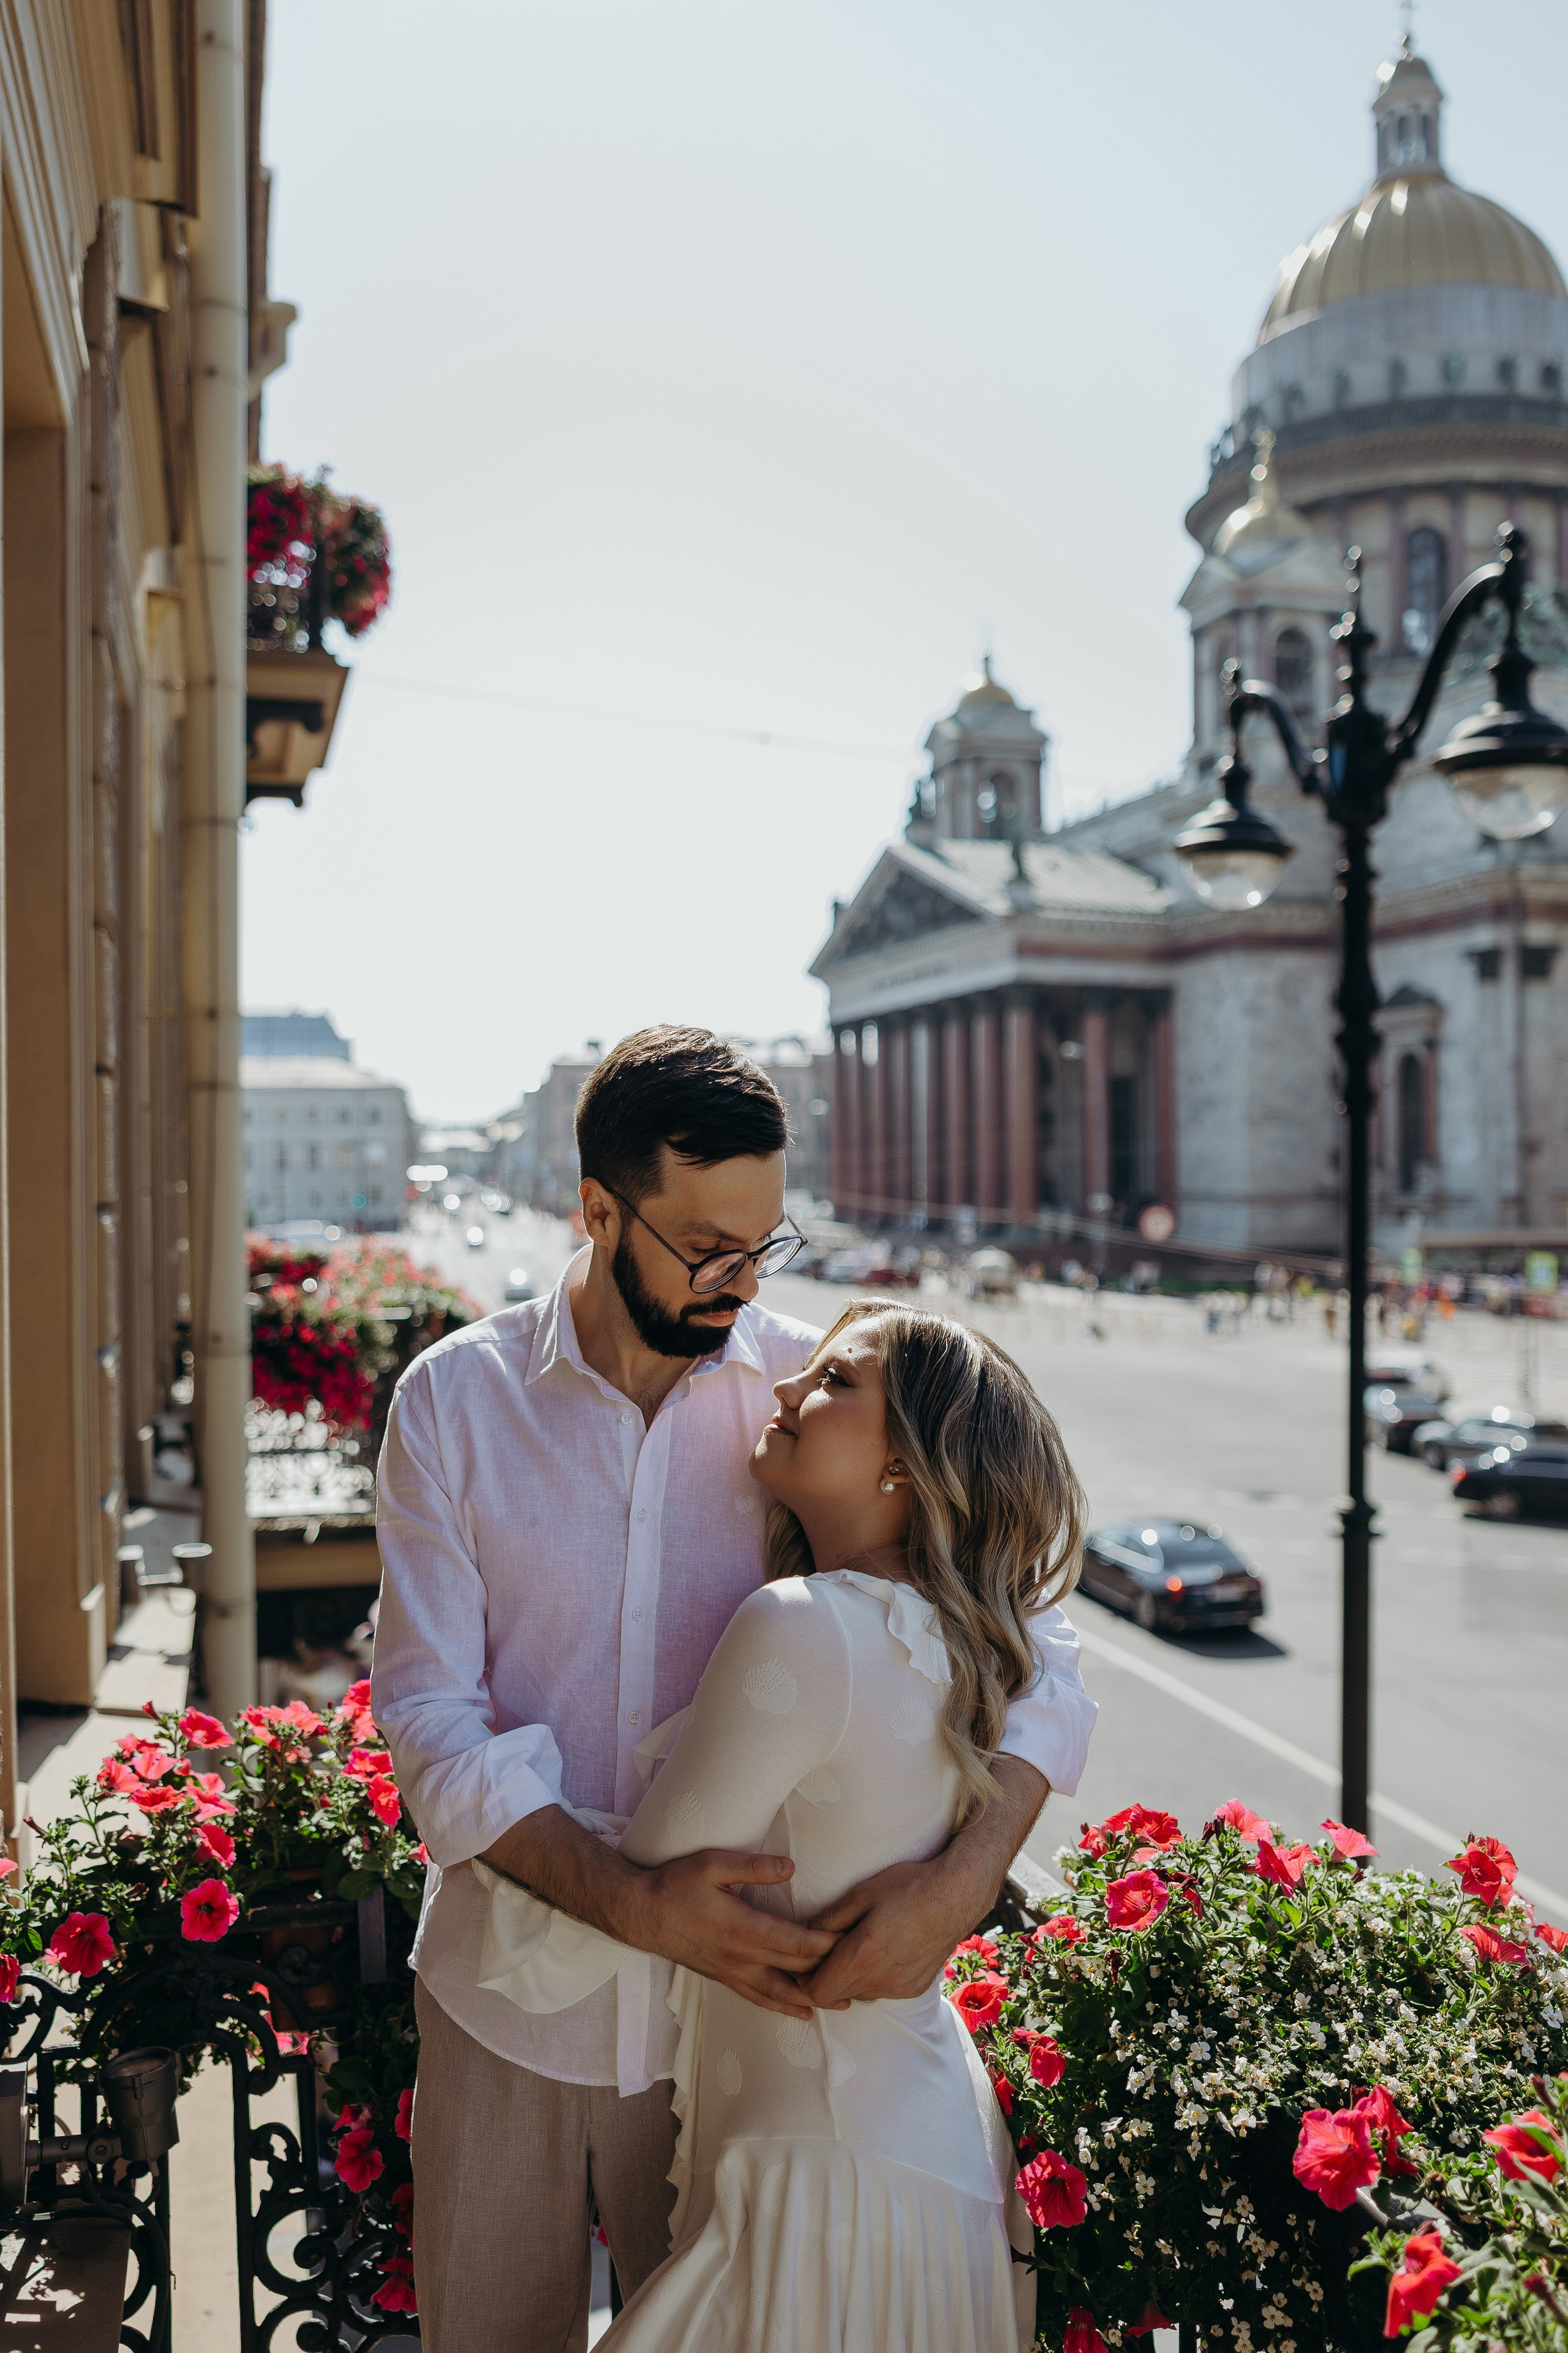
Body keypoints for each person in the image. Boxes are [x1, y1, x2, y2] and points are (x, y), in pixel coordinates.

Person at [372, 1026, 1097, 2351]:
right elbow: (428, 1724)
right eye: (707, 1246)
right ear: (597, 1208)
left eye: (763, 1245)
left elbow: (1033, 1633)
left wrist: (962, 1876)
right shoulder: (451, 1404)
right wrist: (636, 1904)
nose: (740, 1280)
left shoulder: (806, 1391)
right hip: (505, 2008)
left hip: (735, 2056)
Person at [478, 1299, 1087, 2351]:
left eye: (837, 1383)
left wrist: (487, 1820)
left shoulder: (802, 1626)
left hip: (824, 2180)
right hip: (921, 2159)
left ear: (910, 1463)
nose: (789, 1389)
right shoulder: (971, 1639)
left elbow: (634, 1894)